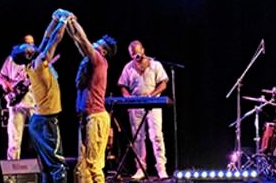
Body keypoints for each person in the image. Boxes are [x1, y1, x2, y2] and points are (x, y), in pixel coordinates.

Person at [11, 10, 73, 183]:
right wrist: (64, 20)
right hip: (46, 121)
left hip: (39, 121)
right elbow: (53, 40)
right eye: (28, 47)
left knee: (47, 165)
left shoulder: (33, 61)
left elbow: (46, 37)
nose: (33, 46)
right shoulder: (38, 63)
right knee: (58, 165)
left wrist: (54, 19)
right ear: (28, 54)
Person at [65, 17, 117, 183]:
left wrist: (73, 20)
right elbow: (78, 40)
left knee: (94, 165)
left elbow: (84, 40)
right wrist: (66, 23)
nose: (94, 44)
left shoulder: (99, 61)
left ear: (103, 51)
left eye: (98, 44)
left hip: (95, 117)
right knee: (83, 169)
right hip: (86, 117)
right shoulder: (90, 61)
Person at [117, 40, 169, 179]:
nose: (135, 56)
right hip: (135, 105)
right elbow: (122, 85)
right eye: (132, 54)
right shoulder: (128, 67)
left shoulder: (155, 64)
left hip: (153, 104)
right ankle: (140, 168)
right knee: (138, 137)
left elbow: (163, 84)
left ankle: (161, 169)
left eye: (137, 52)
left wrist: (151, 95)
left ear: (143, 50)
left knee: (156, 135)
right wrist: (128, 99)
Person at [0, 34, 38, 160]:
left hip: (34, 102)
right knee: (14, 138)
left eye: (32, 43)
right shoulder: (11, 59)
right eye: (27, 43)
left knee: (39, 137)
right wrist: (6, 84)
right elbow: (0, 77)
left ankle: (43, 168)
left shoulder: (38, 60)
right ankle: (12, 169)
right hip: (16, 103)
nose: (30, 46)